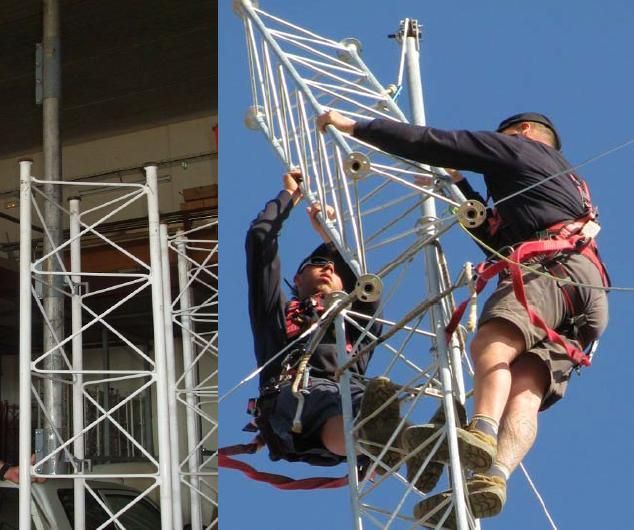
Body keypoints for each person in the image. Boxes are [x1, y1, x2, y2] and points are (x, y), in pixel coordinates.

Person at [317, 110, 609, 526]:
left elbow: (439, 143)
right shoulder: (563, 185)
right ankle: (495, 476)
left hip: (551, 270)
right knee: (525, 391)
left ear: (523, 132)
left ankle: (482, 432)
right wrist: (460, 187)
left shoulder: (518, 148)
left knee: (491, 344)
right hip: (587, 295)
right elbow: (498, 243)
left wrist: (359, 127)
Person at [245, 169, 383, 466]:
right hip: (293, 402)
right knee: (330, 401)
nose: (329, 268)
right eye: (318, 262)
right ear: (297, 278)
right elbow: (260, 239)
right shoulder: (277, 316)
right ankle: (374, 440)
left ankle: (418, 444)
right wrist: (289, 196)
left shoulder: (355, 325)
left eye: (336, 267)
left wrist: (332, 239)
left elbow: (369, 290)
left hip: (351, 396)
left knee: (380, 403)